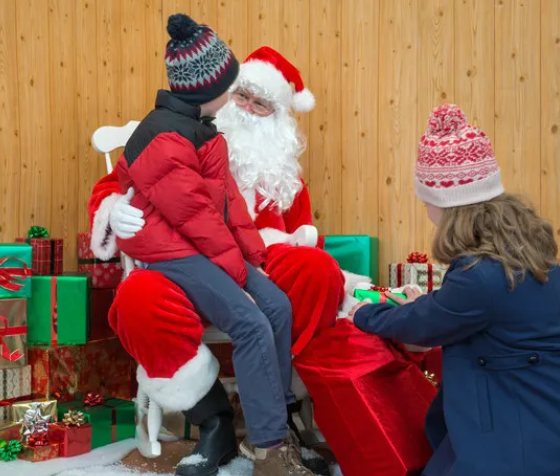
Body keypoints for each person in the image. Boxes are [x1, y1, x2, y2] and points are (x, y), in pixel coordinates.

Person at [89, 45, 358, 476]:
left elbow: (292, 234)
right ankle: (212, 419)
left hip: (255, 260)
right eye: (242, 97)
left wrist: (263, 258)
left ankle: (274, 424)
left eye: (261, 103)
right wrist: (111, 209)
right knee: (138, 295)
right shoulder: (179, 134)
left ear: (279, 117)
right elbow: (119, 181)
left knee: (315, 270)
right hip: (178, 264)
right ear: (223, 96)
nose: (249, 109)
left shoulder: (284, 176)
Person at [349, 103, 560, 476]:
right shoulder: (520, 256)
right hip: (538, 416)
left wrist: (363, 313)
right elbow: (464, 311)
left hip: (512, 437)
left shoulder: (479, 276)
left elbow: (424, 325)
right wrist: (431, 304)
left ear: (444, 204)